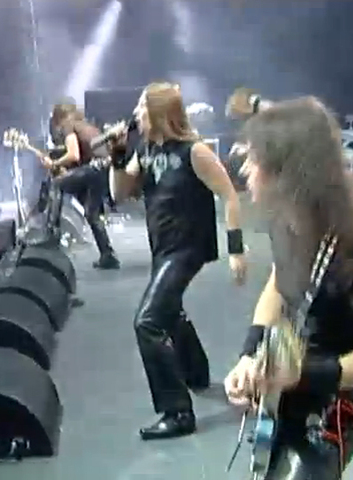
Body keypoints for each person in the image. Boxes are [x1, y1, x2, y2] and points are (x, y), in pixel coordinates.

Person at [224, 96, 353, 479]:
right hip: (290, 377)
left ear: (286, 171)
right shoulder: (285, 219)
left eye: (254, 159)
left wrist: (301, 372)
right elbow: (279, 282)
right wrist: (249, 354)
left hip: (340, 395)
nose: (245, 169)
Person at [109, 82, 247, 440]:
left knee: (148, 322)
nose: (136, 113)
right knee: (170, 310)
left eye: (142, 107)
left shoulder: (194, 151)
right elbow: (119, 193)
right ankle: (196, 372)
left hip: (187, 248)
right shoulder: (146, 150)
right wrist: (118, 155)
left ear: (159, 112)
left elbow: (229, 195)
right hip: (163, 246)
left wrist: (236, 249)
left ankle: (177, 412)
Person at [43, 102, 120, 269]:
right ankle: (108, 255)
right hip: (104, 170)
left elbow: (74, 154)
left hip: (93, 169)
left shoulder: (68, 126)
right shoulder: (87, 126)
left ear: (59, 117)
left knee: (56, 184)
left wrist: (55, 163)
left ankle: (51, 235)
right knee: (92, 214)